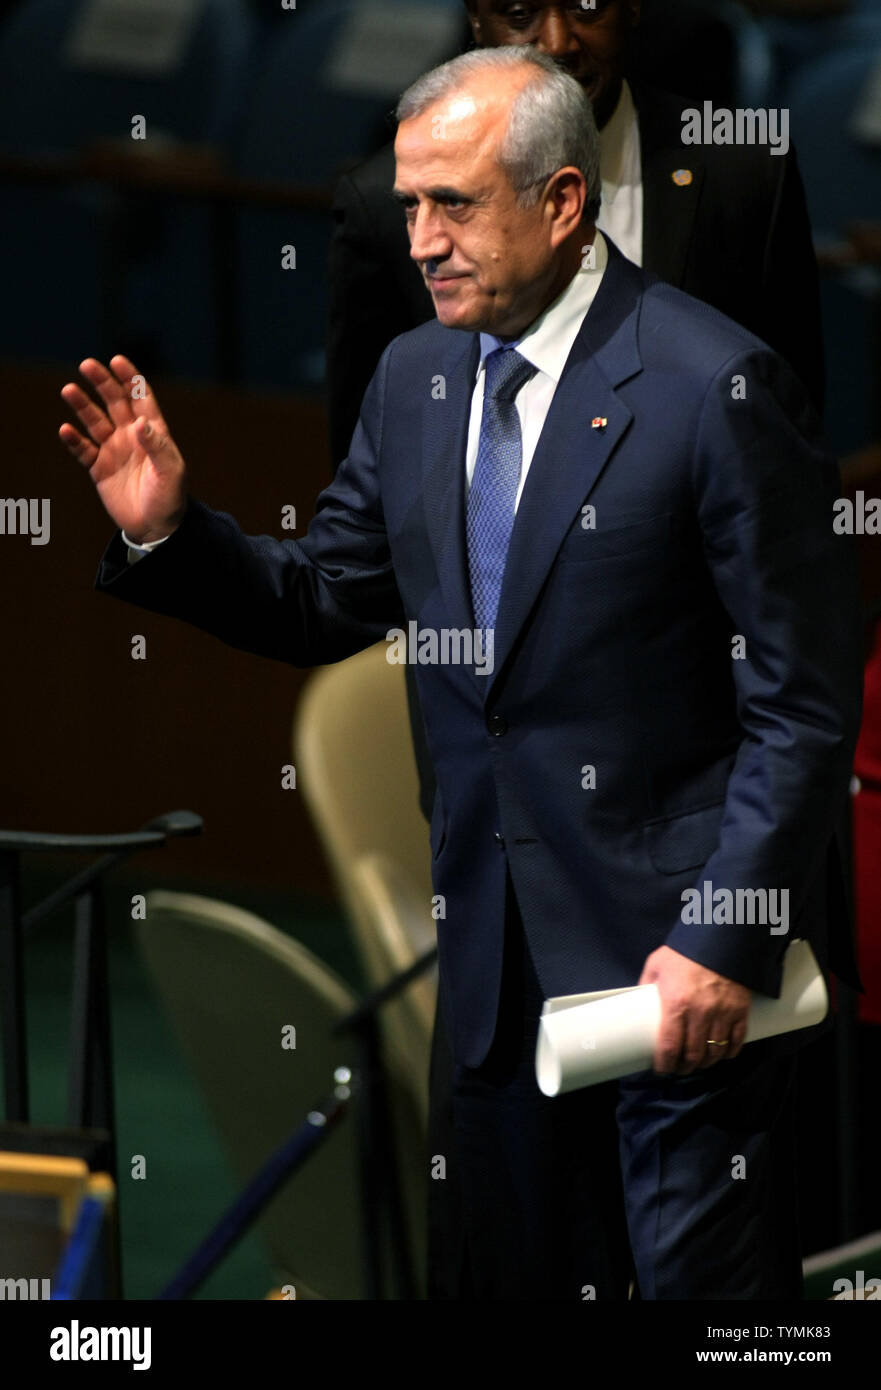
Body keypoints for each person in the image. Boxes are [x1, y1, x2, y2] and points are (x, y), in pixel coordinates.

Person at [60, 47, 861, 1299]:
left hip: (668, 987)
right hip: (486, 977)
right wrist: (172, 533)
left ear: (559, 201)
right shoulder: (416, 377)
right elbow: (331, 594)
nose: (421, 240)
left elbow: (800, 705)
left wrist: (721, 933)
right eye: (409, 204)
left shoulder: (713, 388)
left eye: (454, 205)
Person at [327, 0, 824, 472]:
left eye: (586, 6)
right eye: (521, 13)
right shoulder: (383, 206)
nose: (558, 42)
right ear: (476, 21)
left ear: (632, 6)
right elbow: (370, 472)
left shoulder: (745, 174)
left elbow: (786, 432)